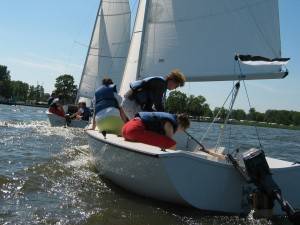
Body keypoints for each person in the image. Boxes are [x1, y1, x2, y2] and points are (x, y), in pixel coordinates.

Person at [121, 69, 186, 119]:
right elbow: (158, 103)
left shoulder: (159, 83)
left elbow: (148, 107)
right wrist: (166, 116)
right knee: (143, 125)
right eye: (176, 86)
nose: (175, 88)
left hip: (129, 103)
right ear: (172, 80)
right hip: (131, 104)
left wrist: (156, 112)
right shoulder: (161, 84)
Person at [122, 112, 190, 150]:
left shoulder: (168, 116)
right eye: (183, 129)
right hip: (134, 130)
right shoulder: (170, 123)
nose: (181, 131)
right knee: (171, 144)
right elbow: (168, 142)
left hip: (125, 128)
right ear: (181, 125)